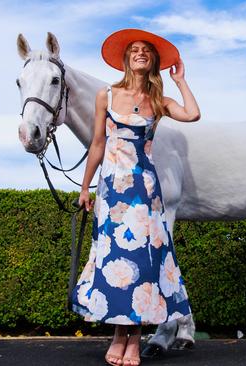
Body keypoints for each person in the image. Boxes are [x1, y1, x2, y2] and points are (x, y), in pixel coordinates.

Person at [72, 28, 200, 366]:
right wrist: (85, 188)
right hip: (113, 191)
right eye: (134, 50)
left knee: (141, 265)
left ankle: (135, 338)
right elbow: (98, 143)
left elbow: (193, 114)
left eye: (146, 50)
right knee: (115, 262)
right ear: (127, 59)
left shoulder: (157, 101)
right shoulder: (107, 95)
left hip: (145, 193)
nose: (140, 53)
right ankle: (118, 336)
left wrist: (180, 81)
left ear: (153, 60)